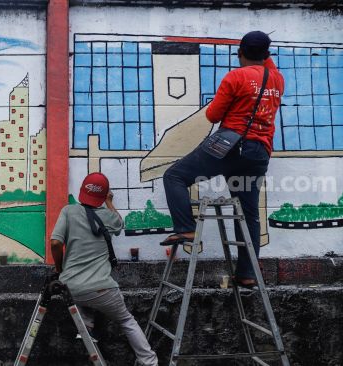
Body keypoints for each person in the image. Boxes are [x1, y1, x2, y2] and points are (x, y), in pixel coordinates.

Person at [160, 31, 285, 288]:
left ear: (240, 52)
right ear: (266, 54)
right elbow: (265, 63)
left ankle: (185, 228)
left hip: (229, 147)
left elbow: (214, 116)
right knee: (248, 212)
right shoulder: (277, 79)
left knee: (175, 176)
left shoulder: (235, 76)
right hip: (259, 153)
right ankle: (248, 273)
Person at [50, 172, 158, 366]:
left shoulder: (68, 211)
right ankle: (149, 361)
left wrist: (60, 270)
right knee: (126, 321)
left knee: (81, 294)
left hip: (70, 287)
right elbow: (119, 224)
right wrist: (109, 202)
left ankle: (88, 326)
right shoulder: (109, 217)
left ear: (83, 190)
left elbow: (56, 243)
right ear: (102, 196)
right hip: (102, 290)